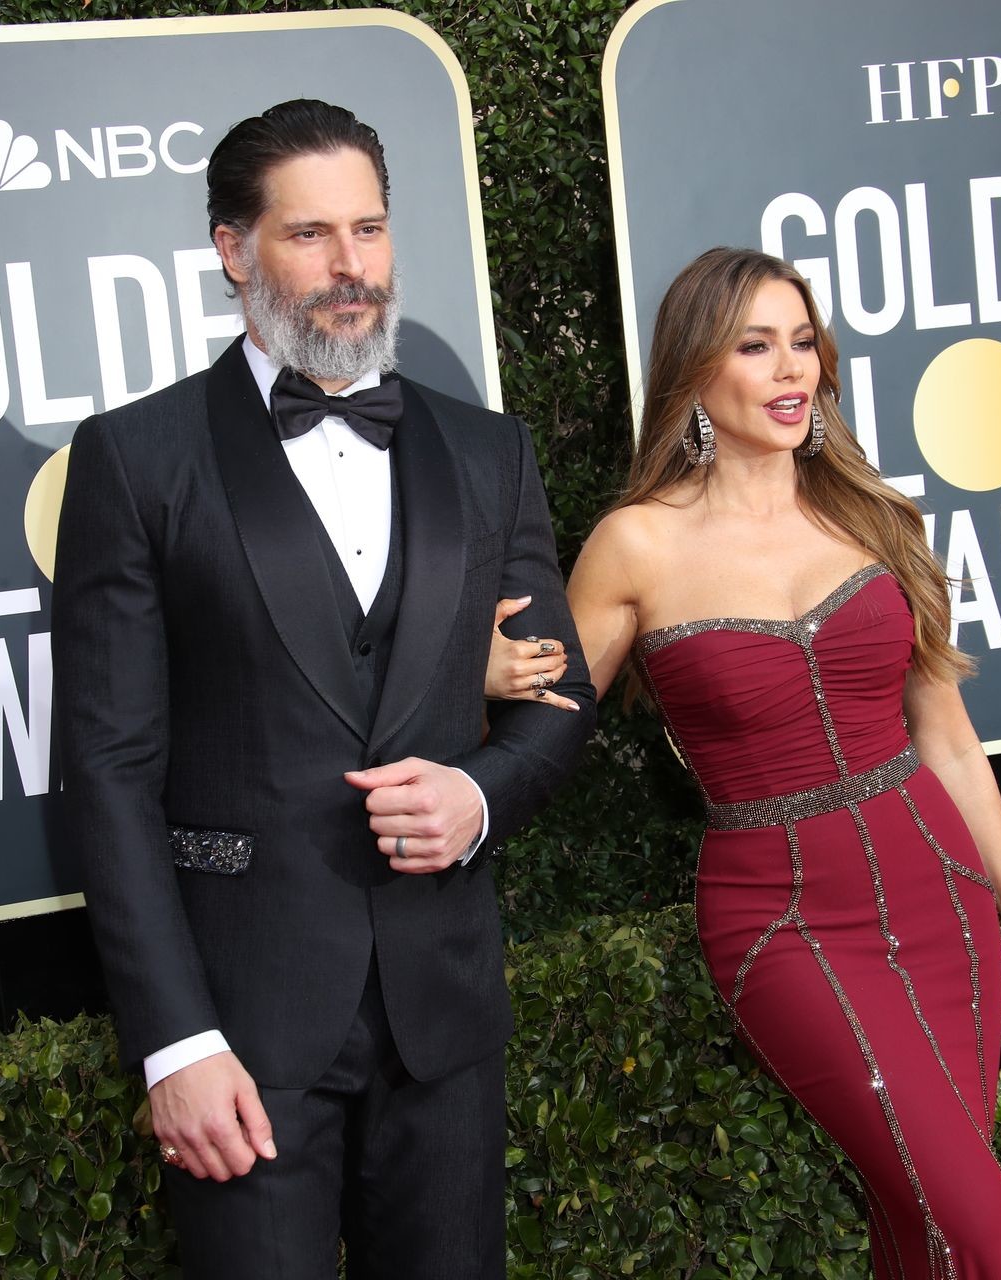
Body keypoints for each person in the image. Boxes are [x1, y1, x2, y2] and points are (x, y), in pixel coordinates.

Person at [52, 98, 596, 1279]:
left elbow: (559, 695)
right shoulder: (138, 460)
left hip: (440, 1015)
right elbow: (107, 771)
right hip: (242, 1025)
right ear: (234, 249)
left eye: (369, 228)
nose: (351, 265)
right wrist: (174, 1040)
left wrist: (478, 796)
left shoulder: (487, 451)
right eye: (310, 234)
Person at [487, 246, 1001, 1277]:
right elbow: (552, 711)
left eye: (802, 342)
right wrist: (484, 675)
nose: (791, 367)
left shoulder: (872, 515)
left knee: (923, 1229)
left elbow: (948, 738)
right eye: (755, 346)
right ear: (696, 372)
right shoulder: (636, 544)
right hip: (783, 923)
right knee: (982, 1228)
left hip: (944, 904)